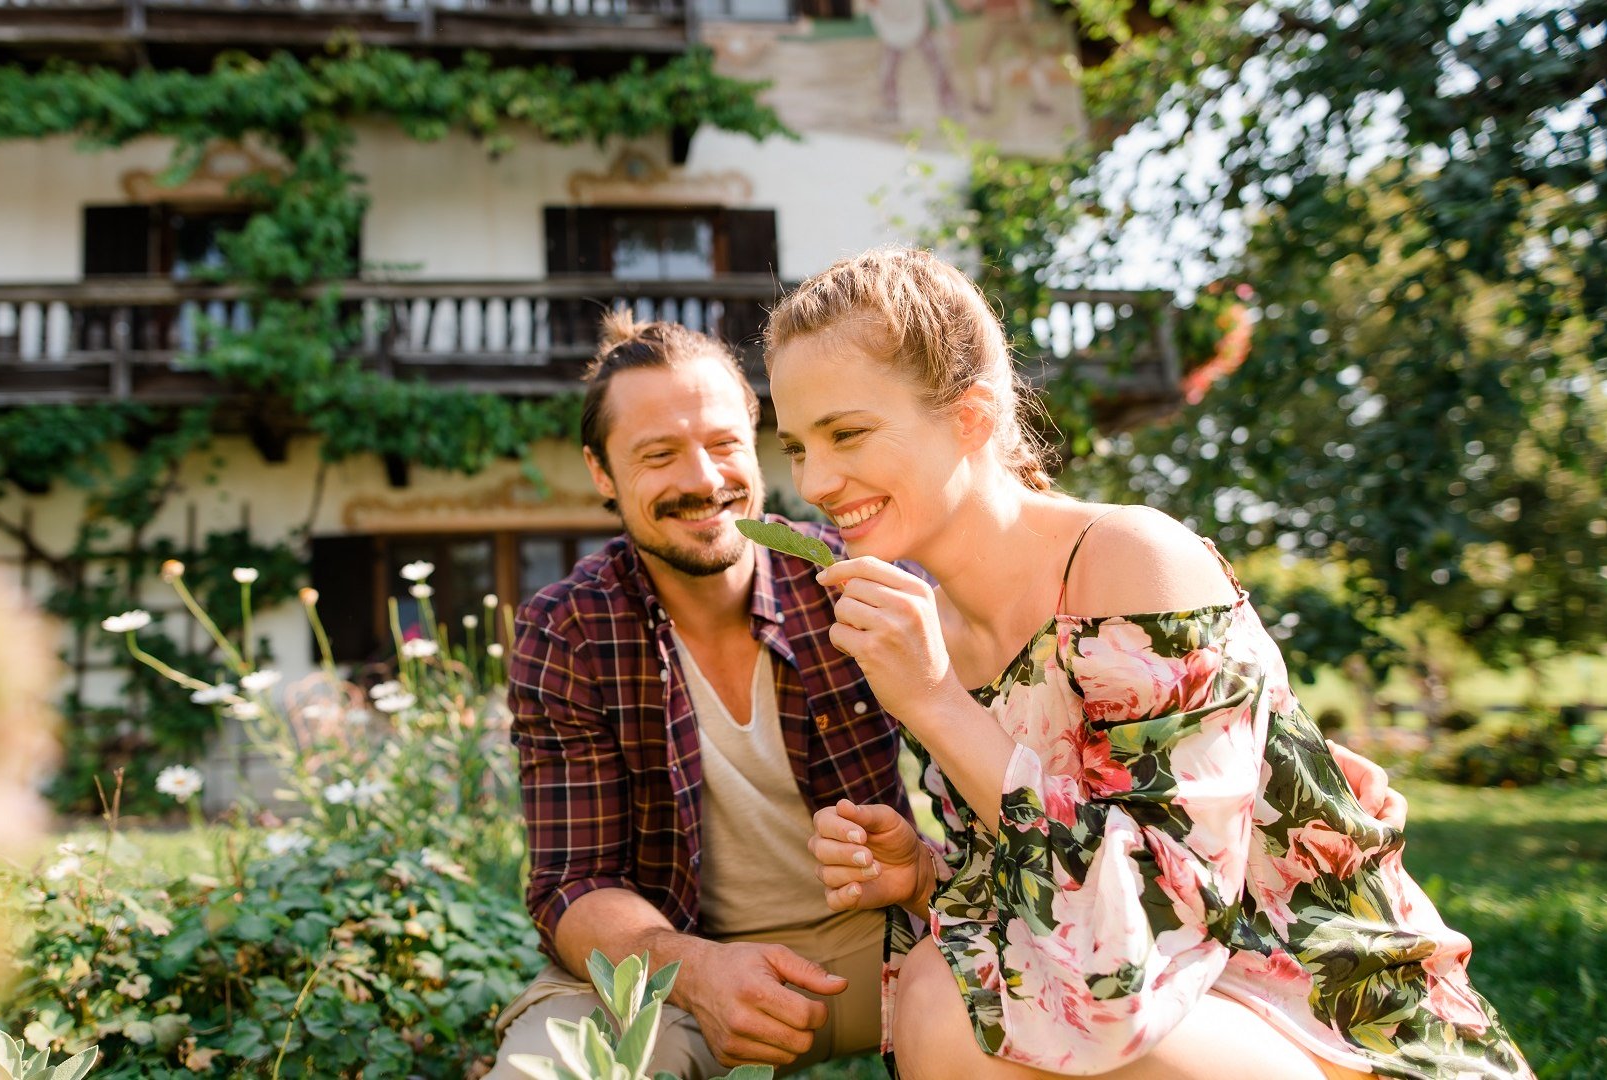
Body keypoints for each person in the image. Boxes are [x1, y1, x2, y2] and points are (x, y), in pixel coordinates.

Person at [767, 247, 1534, 1079]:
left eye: (847, 433)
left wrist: (936, 705)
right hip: (1142, 1005)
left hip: (1327, 1012)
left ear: (970, 417)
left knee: (959, 1004)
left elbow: (1160, 915)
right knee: (946, 987)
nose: (816, 480)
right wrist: (922, 873)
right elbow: (1037, 896)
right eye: (799, 445)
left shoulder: (1133, 563)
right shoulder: (937, 625)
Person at [489, 312, 907, 1076]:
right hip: (685, 965)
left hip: (891, 948)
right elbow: (573, 882)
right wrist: (697, 970)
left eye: (722, 445)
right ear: (601, 472)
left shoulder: (856, 579)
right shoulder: (569, 628)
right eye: (659, 454)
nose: (704, 481)